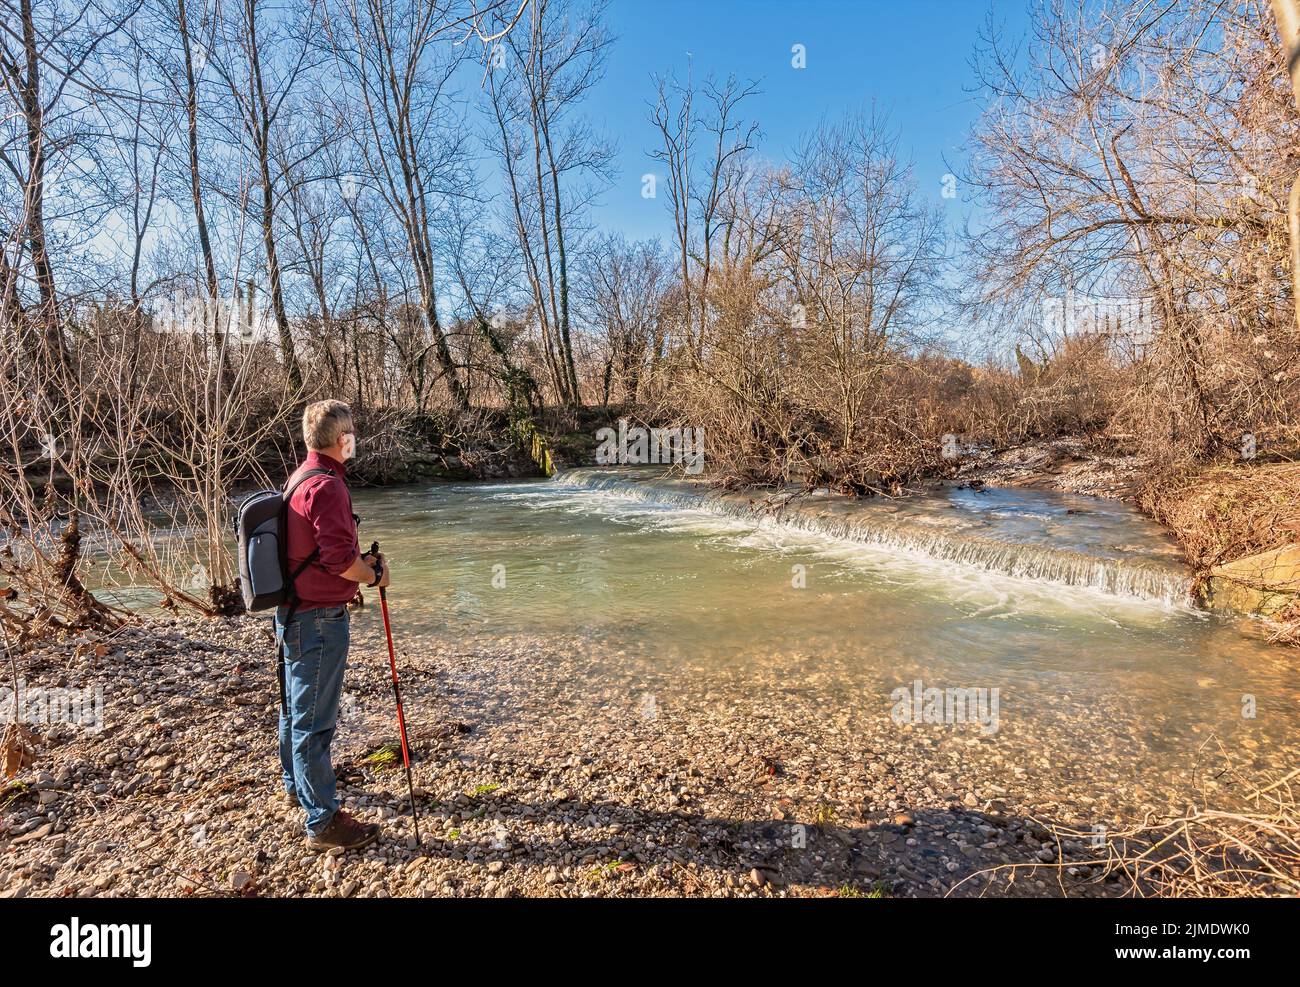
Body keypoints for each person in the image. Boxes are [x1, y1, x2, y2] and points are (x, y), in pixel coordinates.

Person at [278, 399, 389, 850]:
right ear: (342, 439)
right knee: (314, 723)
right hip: (319, 620)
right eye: (353, 432)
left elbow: (321, 553)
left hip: (294, 614)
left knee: (294, 711)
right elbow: (342, 563)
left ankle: (296, 788)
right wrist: (375, 573)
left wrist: (358, 566)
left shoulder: (299, 478)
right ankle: (323, 822)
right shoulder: (327, 487)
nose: (355, 439)